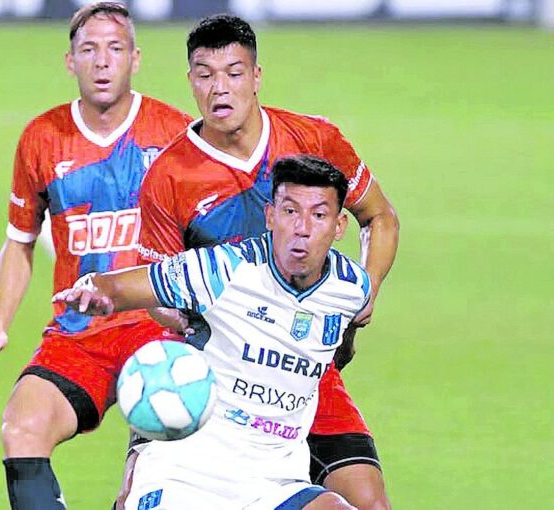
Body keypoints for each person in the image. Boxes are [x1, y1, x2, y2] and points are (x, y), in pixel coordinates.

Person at [128, 14, 400, 510]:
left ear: (256, 77)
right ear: (190, 80)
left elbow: (379, 217)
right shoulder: (168, 176)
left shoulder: (314, 141)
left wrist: (365, 296)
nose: (220, 88)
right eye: (206, 75)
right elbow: (157, 297)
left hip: (301, 373)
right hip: (214, 376)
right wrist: (232, 314)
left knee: (369, 504)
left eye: (233, 72)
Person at [0, 3, 191, 509]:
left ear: (136, 58)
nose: (102, 61)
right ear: (70, 61)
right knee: (20, 430)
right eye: (88, 50)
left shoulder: (177, 134)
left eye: (115, 49)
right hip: (79, 334)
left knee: (148, 484)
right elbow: (20, 241)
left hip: (159, 330)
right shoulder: (42, 139)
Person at [56, 156, 368, 510]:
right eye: (290, 211)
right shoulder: (221, 269)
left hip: (276, 481)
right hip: (188, 471)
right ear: (270, 216)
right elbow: (117, 287)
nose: (302, 228)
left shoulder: (351, 288)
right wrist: (92, 291)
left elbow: (339, 347)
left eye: (319, 215)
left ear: (340, 225)